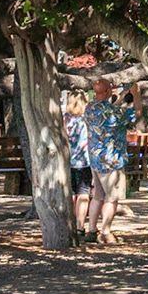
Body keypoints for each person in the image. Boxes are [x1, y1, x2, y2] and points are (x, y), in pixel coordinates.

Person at [83, 79, 137, 244]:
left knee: (98, 196)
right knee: (112, 197)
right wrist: (135, 95)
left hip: (96, 158)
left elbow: (112, 110)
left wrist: (120, 99)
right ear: (107, 91)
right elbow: (133, 115)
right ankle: (106, 231)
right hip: (112, 160)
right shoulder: (112, 112)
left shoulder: (90, 107)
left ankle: (91, 230)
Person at [64, 94, 94, 230]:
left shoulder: (64, 119)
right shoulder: (85, 121)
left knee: (70, 194)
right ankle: (80, 226)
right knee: (83, 194)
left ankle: (69, 224)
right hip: (83, 162)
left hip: (66, 162)